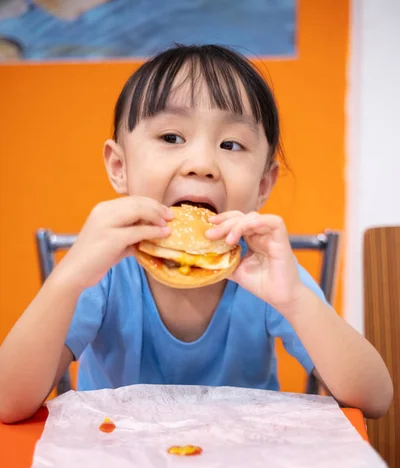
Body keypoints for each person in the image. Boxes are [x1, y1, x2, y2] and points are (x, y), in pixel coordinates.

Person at [0, 44, 392, 423]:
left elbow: (374, 399)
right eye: (172, 137)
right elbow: (8, 402)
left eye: (231, 144)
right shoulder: (102, 276)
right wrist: (67, 281)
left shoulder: (266, 276)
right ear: (119, 166)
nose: (202, 164)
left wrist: (295, 300)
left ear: (263, 185)